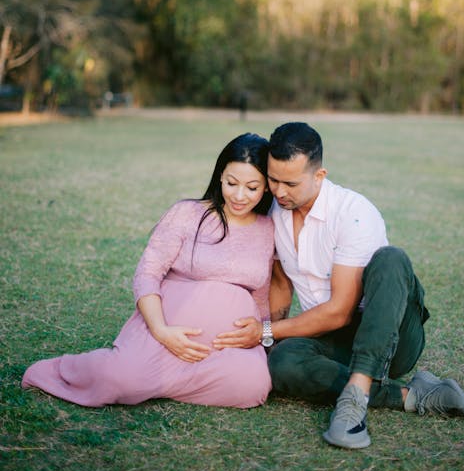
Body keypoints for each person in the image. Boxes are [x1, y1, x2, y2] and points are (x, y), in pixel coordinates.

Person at [213, 122, 464, 447]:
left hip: (392, 337)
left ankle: (354, 404)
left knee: (391, 259)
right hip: (332, 340)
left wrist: (265, 331)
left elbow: (339, 312)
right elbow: (281, 283)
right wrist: (270, 342)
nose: (278, 191)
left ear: (319, 176)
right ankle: (410, 395)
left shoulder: (354, 213)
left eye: (290, 183)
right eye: (273, 179)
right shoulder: (277, 210)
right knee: (281, 363)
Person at [22, 133, 275, 409]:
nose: (239, 195)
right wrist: (162, 330)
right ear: (220, 177)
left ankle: (156, 382)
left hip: (227, 348)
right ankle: (134, 376)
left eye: (251, 187)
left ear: (266, 189)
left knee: (253, 387)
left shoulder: (267, 230)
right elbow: (147, 274)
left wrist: (264, 335)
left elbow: (260, 294)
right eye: (231, 183)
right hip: (165, 333)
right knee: (118, 379)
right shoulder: (187, 214)